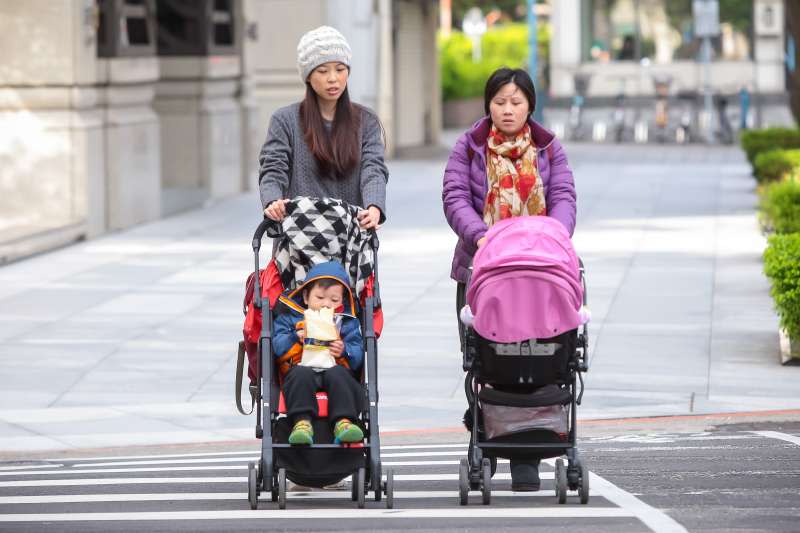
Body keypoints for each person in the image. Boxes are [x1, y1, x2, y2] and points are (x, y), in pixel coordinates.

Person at [441, 67, 577, 492]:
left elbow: (564, 197)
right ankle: (487, 441)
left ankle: (528, 454)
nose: (507, 109)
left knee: (540, 358)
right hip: (482, 269)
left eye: (516, 102)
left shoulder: (549, 149)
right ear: (488, 105)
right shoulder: (469, 147)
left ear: (530, 105)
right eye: (499, 101)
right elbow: (454, 196)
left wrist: (553, 238)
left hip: (540, 273)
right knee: (485, 358)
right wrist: (479, 236)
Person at [259, 25, 388, 229]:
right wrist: (273, 201)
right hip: (299, 238)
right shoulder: (285, 120)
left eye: (340, 69)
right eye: (322, 70)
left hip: (350, 239)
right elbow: (273, 169)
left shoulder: (366, 121)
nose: (333, 78)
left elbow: (373, 169)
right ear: (308, 76)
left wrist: (374, 207)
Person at [273, 261, 365, 445]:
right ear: (306, 296)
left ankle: (343, 422)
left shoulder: (346, 322)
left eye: (334, 300)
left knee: (340, 374)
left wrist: (344, 350)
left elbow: (358, 354)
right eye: (320, 298)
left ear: (342, 302)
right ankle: (302, 423)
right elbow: (277, 345)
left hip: (334, 371)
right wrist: (294, 337)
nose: (326, 304)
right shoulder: (290, 316)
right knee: (300, 374)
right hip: (301, 370)